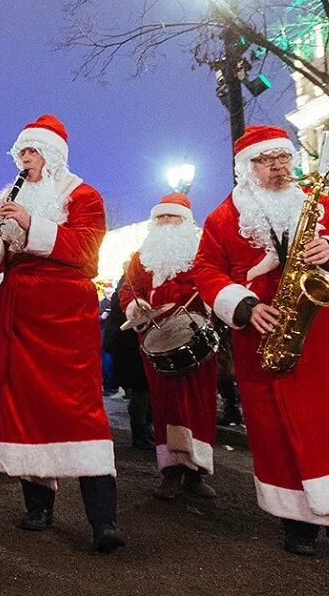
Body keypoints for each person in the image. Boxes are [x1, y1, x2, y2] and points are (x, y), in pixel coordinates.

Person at [193, 125, 329, 560]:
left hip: (328, 336)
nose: (276, 167)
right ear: (246, 167)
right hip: (265, 331)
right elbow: (206, 271)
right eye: (264, 160)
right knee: (276, 431)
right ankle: (297, 525)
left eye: (282, 158)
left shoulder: (321, 202)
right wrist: (244, 305)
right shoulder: (223, 218)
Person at [0, 114, 125, 553]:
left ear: (53, 155)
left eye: (32, 150)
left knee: (80, 408)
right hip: (21, 311)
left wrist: (30, 224)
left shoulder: (84, 194)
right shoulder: (9, 196)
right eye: (21, 151)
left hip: (65, 315)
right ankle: (39, 506)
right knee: (27, 405)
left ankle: (103, 519)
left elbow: (86, 251)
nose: (24, 158)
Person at [120, 193, 218, 500]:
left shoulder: (204, 250)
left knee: (199, 404)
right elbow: (128, 290)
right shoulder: (141, 256)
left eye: (170, 217)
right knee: (164, 406)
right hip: (157, 339)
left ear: (185, 221)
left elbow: (217, 283)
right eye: (160, 218)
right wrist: (135, 306)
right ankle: (171, 472)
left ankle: (196, 471)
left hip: (195, 335)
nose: (164, 223)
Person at [105, 272, 152, 450]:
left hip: (129, 346)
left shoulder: (124, 290)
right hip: (131, 347)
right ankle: (140, 434)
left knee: (143, 391)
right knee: (142, 389)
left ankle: (144, 431)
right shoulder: (127, 292)